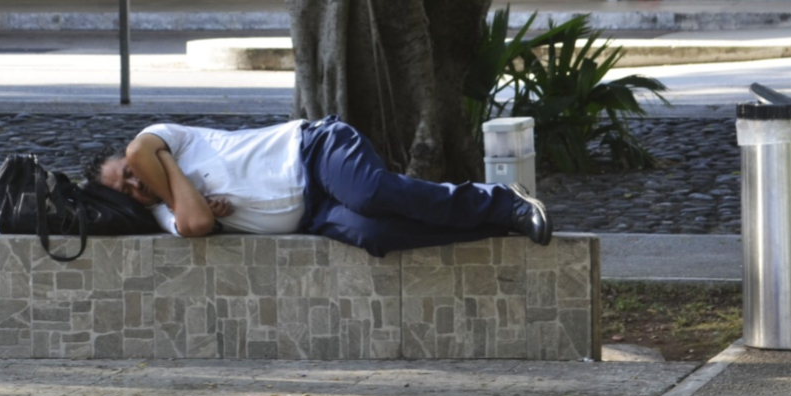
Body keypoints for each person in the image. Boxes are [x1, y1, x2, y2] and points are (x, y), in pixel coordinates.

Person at [84, 116, 551, 258]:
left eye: (124, 173)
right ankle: (497, 224)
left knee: (371, 193)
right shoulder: (167, 213)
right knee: (376, 236)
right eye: (124, 189)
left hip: (313, 150)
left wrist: (161, 162)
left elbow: (140, 153)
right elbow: (198, 221)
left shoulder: (164, 140)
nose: (131, 180)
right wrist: (183, 196)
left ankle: (502, 200)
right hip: (312, 214)